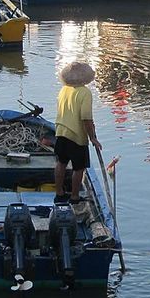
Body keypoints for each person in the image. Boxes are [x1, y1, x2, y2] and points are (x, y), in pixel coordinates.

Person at [54, 61, 101, 204]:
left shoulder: (63, 89)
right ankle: (74, 196)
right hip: (76, 135)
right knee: (79, 167)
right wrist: (92, 138)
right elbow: (86, 118)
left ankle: (59, 193)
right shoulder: (85, 92)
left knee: (61, 163)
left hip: (61, 132)